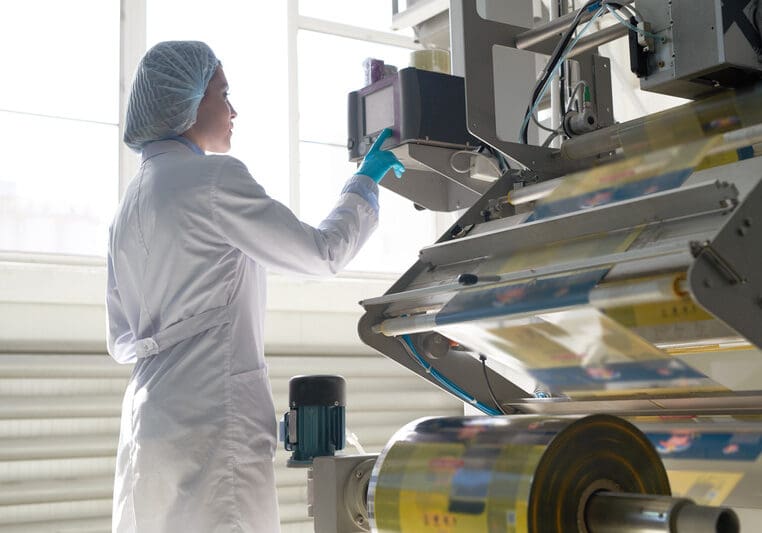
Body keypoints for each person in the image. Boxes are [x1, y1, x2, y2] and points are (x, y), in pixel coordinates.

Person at [106, 40, 404, 533]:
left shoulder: (129, 206)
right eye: (223, 94)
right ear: (187, 102)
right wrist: (366, 182)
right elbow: (322, 252)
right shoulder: (212, 179)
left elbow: (120, 335)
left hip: (150, 420)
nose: (233, 110)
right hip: (212, 419)